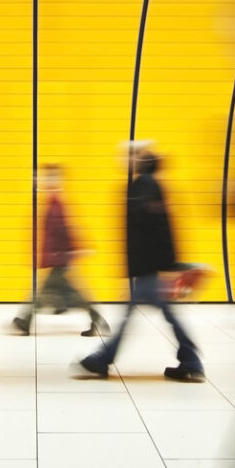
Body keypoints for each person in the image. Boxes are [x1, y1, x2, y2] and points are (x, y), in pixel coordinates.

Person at [77, 145, 204, 382]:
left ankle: (102, 360)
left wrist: (147, 270)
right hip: (149, 267)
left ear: (140, 160)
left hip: (148, 267)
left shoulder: (143, 186)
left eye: (130, 155)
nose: (124, 159)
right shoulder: (147, 185)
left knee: (133, 317)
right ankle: (190, 361)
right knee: (159, 314)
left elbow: (150, 230)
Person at [13, 164, 109, 337]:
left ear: (58, 180)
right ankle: (97, 319)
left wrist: (73, 251)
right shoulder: (53, 202)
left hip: (59, 258)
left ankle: (25, 320)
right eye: (45, 177)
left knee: (44, 293)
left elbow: (64, 232)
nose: (45, 181)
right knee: (71, 293)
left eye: (51, 177)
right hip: (58, 258)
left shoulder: (56, 204)